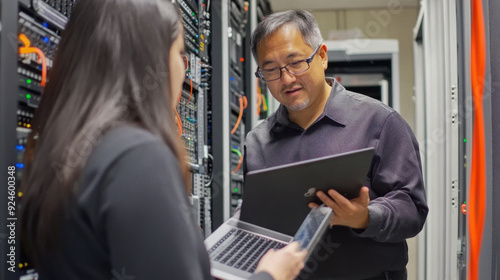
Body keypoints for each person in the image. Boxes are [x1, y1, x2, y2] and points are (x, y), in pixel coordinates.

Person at [19, 1, 306, 279]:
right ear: (151, 62)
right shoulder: (136, 157)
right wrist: (271, 274)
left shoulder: (54, 148)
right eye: (179, 53)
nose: (183, 69)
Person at [245, 10, 429, 280]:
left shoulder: (379, 122)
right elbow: (259, 216)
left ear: (322, 56)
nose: (286, 79)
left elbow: (412, 208)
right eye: (271, 69)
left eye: (296, 62)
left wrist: (365, 217)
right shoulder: (258, 142)